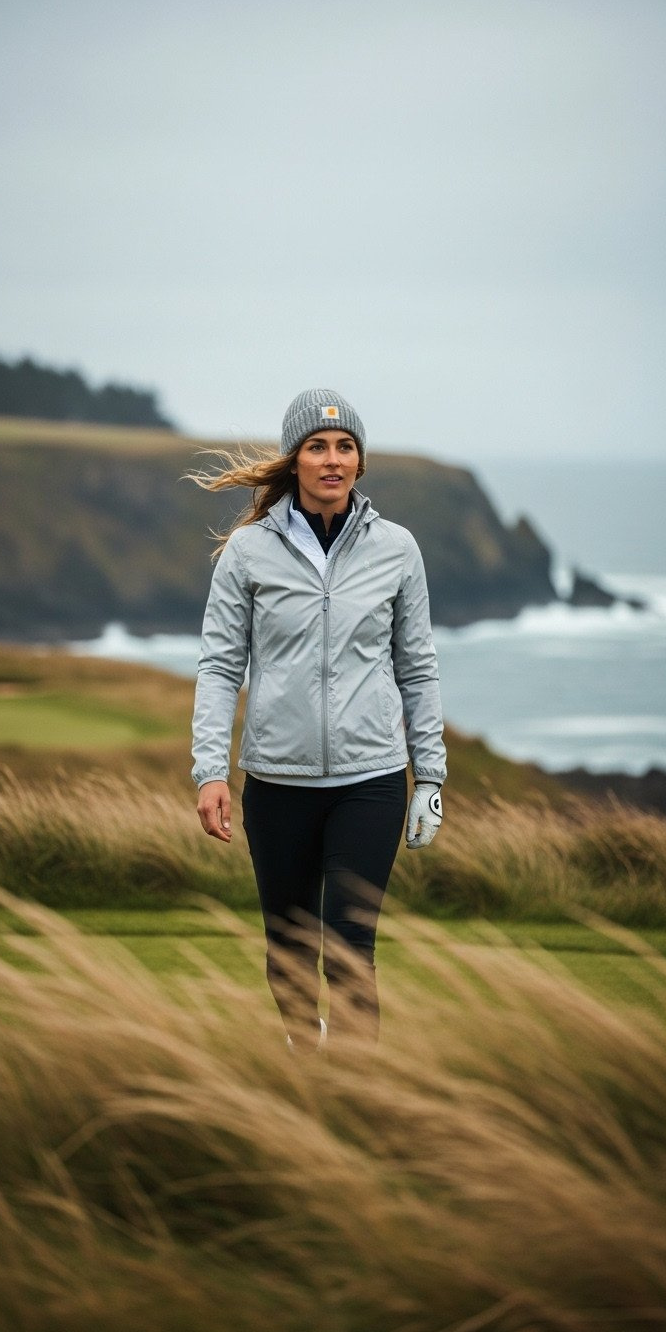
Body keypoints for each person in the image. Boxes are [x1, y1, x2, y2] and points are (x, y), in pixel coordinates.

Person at [191, 388, 446, 1052]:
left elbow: (417, 668)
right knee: (288, 946)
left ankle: (359, 1089)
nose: (332, 459)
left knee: (351, 943)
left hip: (372, 780)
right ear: (295, 459)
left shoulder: (397, 550)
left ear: (360, 463)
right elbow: (220, 668)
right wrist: (210, 772)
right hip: (277, 782)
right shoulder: (248, 553)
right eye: (317, 446)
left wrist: (431, 780)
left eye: (345, 447)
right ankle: (306, 1066)